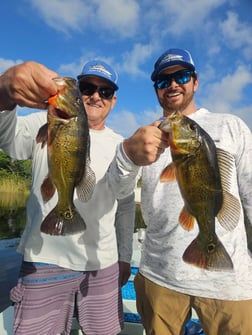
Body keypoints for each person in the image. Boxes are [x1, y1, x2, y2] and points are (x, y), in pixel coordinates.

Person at [120, 48, 252, 335]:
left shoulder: (232, 125)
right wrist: (128, 154)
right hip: (159, 274)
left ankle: (209, 241)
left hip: (230, 283)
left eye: (180, 76)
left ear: (195, 81)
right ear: (155, 89)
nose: (172, 85)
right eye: (163, 81)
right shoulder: (144, 137)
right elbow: (120, 195)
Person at [0, 60, 135, 335]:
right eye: (86, 88)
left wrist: (124, 257)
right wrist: (4, 94)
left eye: (105, 91)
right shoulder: (46, 120)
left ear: (114, 100)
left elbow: (125, 203)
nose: (95, 96)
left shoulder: (120, 144)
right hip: (43, 258)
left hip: (102, 264)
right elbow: (10, 141)